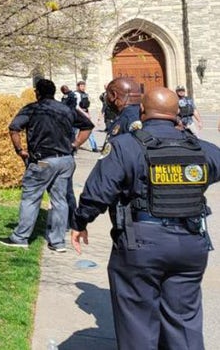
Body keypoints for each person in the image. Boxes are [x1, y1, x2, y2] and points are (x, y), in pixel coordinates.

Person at [72, 87, 220, 350]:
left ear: (142, 111)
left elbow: (98, 190)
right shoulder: (201, 148)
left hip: (142, 243)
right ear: (177, 114)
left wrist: (80, 222)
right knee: (184, 321)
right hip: (190, 244)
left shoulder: (127, 146)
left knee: (138, 323)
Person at [0, 78, 93, 252]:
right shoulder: (66, 109)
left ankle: (20, 237)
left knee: (31, 198)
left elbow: (14, 129)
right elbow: (87, 126)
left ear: (37, 93)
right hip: (65, 160)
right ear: (54, 92)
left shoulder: (32, 109)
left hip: (42, 161)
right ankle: (57, 242)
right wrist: (76, 144)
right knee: (60, 200)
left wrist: (20, 150)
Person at [75, 81, 99, 152]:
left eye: (84, 86)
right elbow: (76, 106)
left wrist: (88, 114)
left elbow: (86, 105)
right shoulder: (76, 94)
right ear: (78, 86)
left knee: (89, 130)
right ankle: (73, 146)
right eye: (81, 86)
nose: (83, 87)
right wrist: (84, 113)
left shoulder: (85, 94)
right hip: (77, 114)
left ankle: (94, 147)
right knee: (74, 131)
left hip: (85, 113)